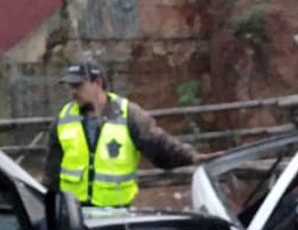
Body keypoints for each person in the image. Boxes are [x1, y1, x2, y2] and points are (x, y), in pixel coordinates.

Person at [43, 59, 216, 208]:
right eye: (71, 87)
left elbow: (158, 144)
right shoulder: (64, 118)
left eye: (78, 86)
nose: (73, 92)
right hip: (74, 212)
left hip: (117, 213)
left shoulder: (128, 114)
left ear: (98, 83)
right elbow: (52, 170)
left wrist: (192, 157)